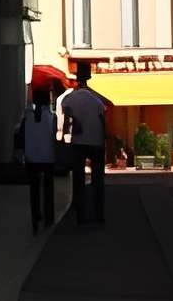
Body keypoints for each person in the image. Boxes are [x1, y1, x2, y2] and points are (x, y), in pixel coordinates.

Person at [56, 61, 110, 229]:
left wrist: (63, 137)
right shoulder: (96, 99)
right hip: (96, 142)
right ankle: (99, 214)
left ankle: (81, 215)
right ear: (88, 79)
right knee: (98, 181)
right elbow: (103, 120)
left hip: (78, 143)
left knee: (78, 180)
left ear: (76, 80)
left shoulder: (69, 99)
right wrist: (104, 140)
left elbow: (66, 122)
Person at [18, 82, 60, 231]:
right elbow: (54, 137)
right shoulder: (51, 117)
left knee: (34, 189)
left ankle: (35, 216)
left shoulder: (27, 116)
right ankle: (49, 217)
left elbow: (20, 136)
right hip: (48, 158)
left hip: (31, 158)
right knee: (48, 189)